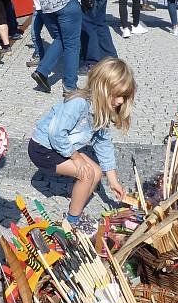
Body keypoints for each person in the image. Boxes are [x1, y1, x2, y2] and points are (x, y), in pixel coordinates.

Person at [28, 57, 131, 233]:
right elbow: (56, 134)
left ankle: (77, 202)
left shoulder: (103, 109)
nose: (121, 101)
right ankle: (71, 221)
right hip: (43, 148)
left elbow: (103, 143)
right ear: (102, 88)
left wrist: (113, 180)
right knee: (87, 174)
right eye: (117, 95)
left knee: (97, 172)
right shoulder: (78, 103)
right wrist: (76, 157)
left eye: (124, 96)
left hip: (61, 147)